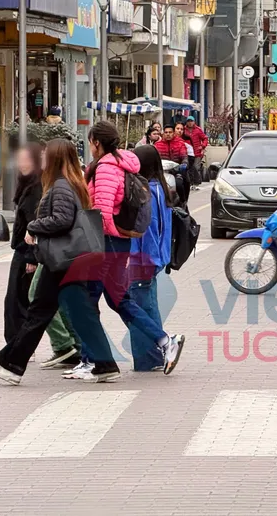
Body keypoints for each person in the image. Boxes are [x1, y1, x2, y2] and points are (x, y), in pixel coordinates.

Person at [0, 140, 95, 385]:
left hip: (60, 257)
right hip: (66, 257)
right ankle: (102, 360)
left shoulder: (60, 186)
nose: (40, 159)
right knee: (51, 310)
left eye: (44, 155)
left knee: (40, 310)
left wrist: (33, 228)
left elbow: (61, 219)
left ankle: (12, 364)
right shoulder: (65, 183)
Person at [85, 122, 184, 375]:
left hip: (135, 255)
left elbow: (108, 214)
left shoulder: (136, 183)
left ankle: (142, 356)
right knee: (125, 302)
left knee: (125, 303)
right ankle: (161, 344)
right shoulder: (159, 187)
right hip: (144, 256)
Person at [129, 145, 174, 371]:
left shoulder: (146, 192)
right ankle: (156, 356)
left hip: (143, 259)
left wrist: (143, 260)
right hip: (154, 259)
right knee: (148, 306)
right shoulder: (160, 189)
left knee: (138, 309)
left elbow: (148, 229)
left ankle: (151, 357)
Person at [4, 143, 44, 345]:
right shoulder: (27, 183)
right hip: (21, 248)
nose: (22, 164)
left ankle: (19, 344)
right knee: (16, 299)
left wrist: (32, 256)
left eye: (26, 159)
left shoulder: (37, 186)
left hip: (27, 251)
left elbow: (34, 223)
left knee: (18, 301)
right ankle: (17, 342)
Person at [182, 117, 208, 188]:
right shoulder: (183, 130)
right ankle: (190, 182)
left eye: (191, 121)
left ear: (194, 122)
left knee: (196, 167)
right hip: (188, 153)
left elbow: (205, 138)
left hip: (197, 153)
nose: (190, 123)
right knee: (189, 168)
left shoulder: (198, 130)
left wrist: (202, 146)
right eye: (188, 121)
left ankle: (196, 182)